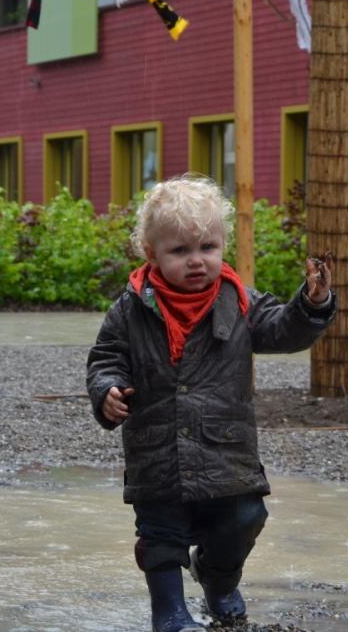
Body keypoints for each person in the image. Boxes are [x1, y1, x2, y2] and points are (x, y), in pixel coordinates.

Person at [86, 174, 334, 631]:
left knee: (243, 519)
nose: (196, 260)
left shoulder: (239, 301)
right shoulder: (131, 307)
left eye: (208, 247)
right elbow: (106, 357)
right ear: (152, 254)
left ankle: (217, 580)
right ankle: (170, 614)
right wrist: (108, 391)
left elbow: (283, 330)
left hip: (226, 448)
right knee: (161, 534)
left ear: (223, 246)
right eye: (180, 251)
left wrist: (312, 304)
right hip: (157, 448)